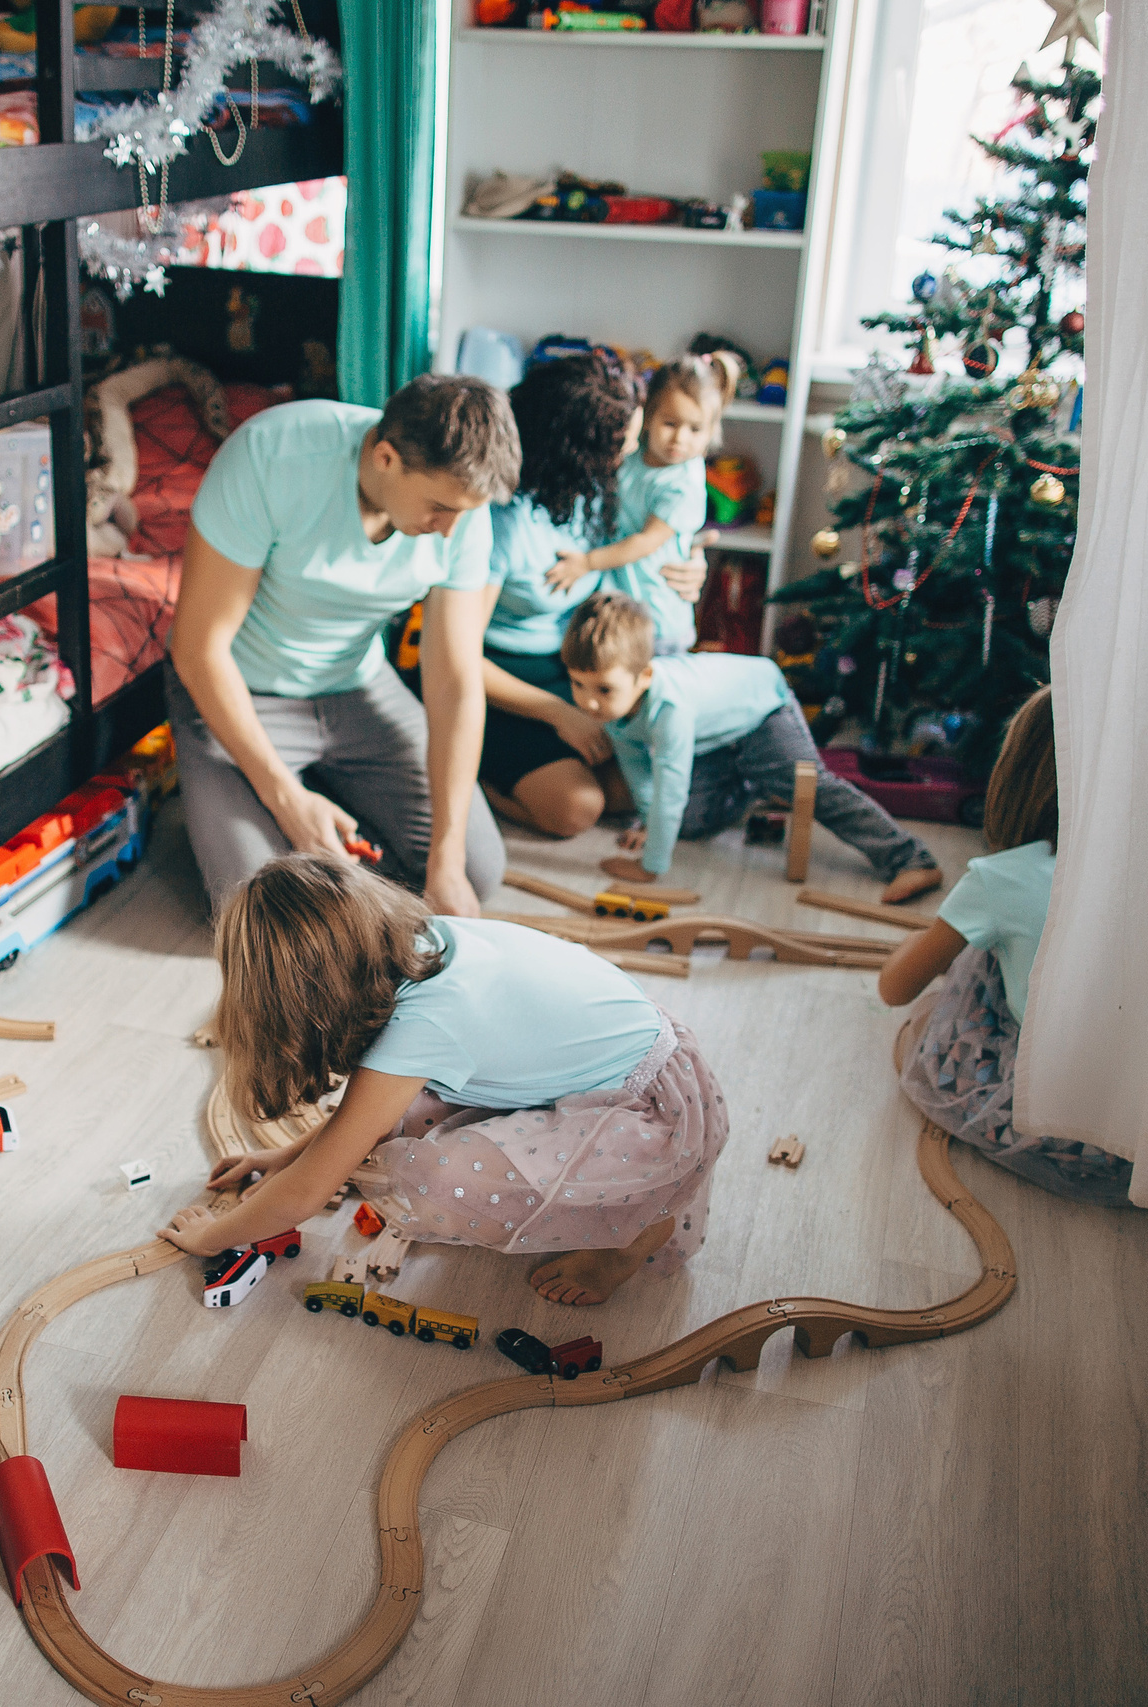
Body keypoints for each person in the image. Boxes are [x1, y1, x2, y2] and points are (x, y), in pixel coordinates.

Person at [165, 853, 729, 1305]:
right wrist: (281, 1156)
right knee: (386, 1120)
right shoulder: (416, 943)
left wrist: (212, 1236)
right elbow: (357, 1119)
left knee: (429, 1179)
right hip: (644, 1062)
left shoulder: (424, 1023)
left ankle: (633, 1236)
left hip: (649, 1118)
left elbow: (310, 1192)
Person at [168, 375, 516, 915]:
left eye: (463, 514)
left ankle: (329, 803)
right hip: (246, 689)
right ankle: (280, 803)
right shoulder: (272, 454)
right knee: (258, 908)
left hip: (358, 685)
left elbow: (454, 680)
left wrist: (444, 866)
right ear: (385, 459)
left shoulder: (461, 509)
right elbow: (198, 650)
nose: (450, 531)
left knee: (475, 871)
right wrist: (286, 801)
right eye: (439, 509)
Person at [876, 688, 1132, 1205]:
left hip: (1054, 1125)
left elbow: (894, 987)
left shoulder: (1002, 879)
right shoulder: (1140, 864)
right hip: (1142, 1122)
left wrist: (927, 939)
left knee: (924, 1025)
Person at [562, 593, 940, 898]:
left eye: (603, 689)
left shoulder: (670, 709)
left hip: (762, 712)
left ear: (644, 677)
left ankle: (911, 860)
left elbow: (670, 787)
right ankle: (754, 781)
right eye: (578, 684)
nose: (588, 702)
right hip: (713, 735)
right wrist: (648, 823)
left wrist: (650, 867)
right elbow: (639, 772)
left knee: (811, 786)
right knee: (686, 824)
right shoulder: (611, 711)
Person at [471, 353, 700, 838]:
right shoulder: (505, 523)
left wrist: (693, 563)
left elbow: (658, 538)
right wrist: (559, 714)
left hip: (575, 669)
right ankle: (476, 788)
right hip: (505, 680)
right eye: (625, 445)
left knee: (646, 785)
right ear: (582, 450)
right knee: (579, 807)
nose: (633, 454)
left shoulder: (599, 491)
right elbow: (456, 657)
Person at [541, 352, 739, 658]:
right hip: (622, 603)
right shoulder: (635, 453)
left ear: (712, 431)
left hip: (657, 618)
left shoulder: (683, 482)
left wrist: (587, 562)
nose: (679, 439)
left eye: (695, 429)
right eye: (670, 423)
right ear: (648, 416)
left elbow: (646, 542)